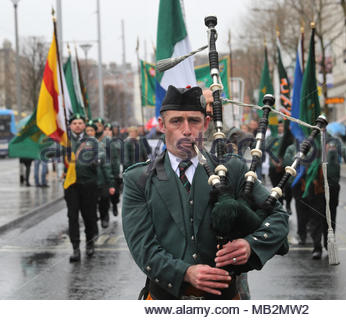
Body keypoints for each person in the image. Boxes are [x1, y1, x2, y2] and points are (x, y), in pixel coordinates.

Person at [122, 86, 288, 300]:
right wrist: (185, 273)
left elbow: (279, 217)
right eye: (176, 121)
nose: (187, 130)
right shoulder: (139, 179)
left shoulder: (232, 169)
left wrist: (250, 245)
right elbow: (142, 247)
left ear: (206, 124)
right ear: (162, 125)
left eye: (194, 121)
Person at [64, 114, 115, 262]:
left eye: (80, 123)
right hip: (71, 185)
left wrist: (110, 181)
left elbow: (102, 158)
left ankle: (89, 243)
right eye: (75, 123)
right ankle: (75, 248)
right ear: (70, 126)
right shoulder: (65, 141)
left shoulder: (92, 141)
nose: (78, 125)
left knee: (89, 216)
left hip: (89, 184)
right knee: (72, 217)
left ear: (84, 125)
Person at [104, 123, 122, 217]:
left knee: (115, 194)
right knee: (104, 195)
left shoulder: (116, 142)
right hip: (105, 172)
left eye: (109, 130)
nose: (107, 132)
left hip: (115, 171)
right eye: (105, 129)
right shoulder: (100, 143)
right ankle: (105, 213)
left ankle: (114, 205)